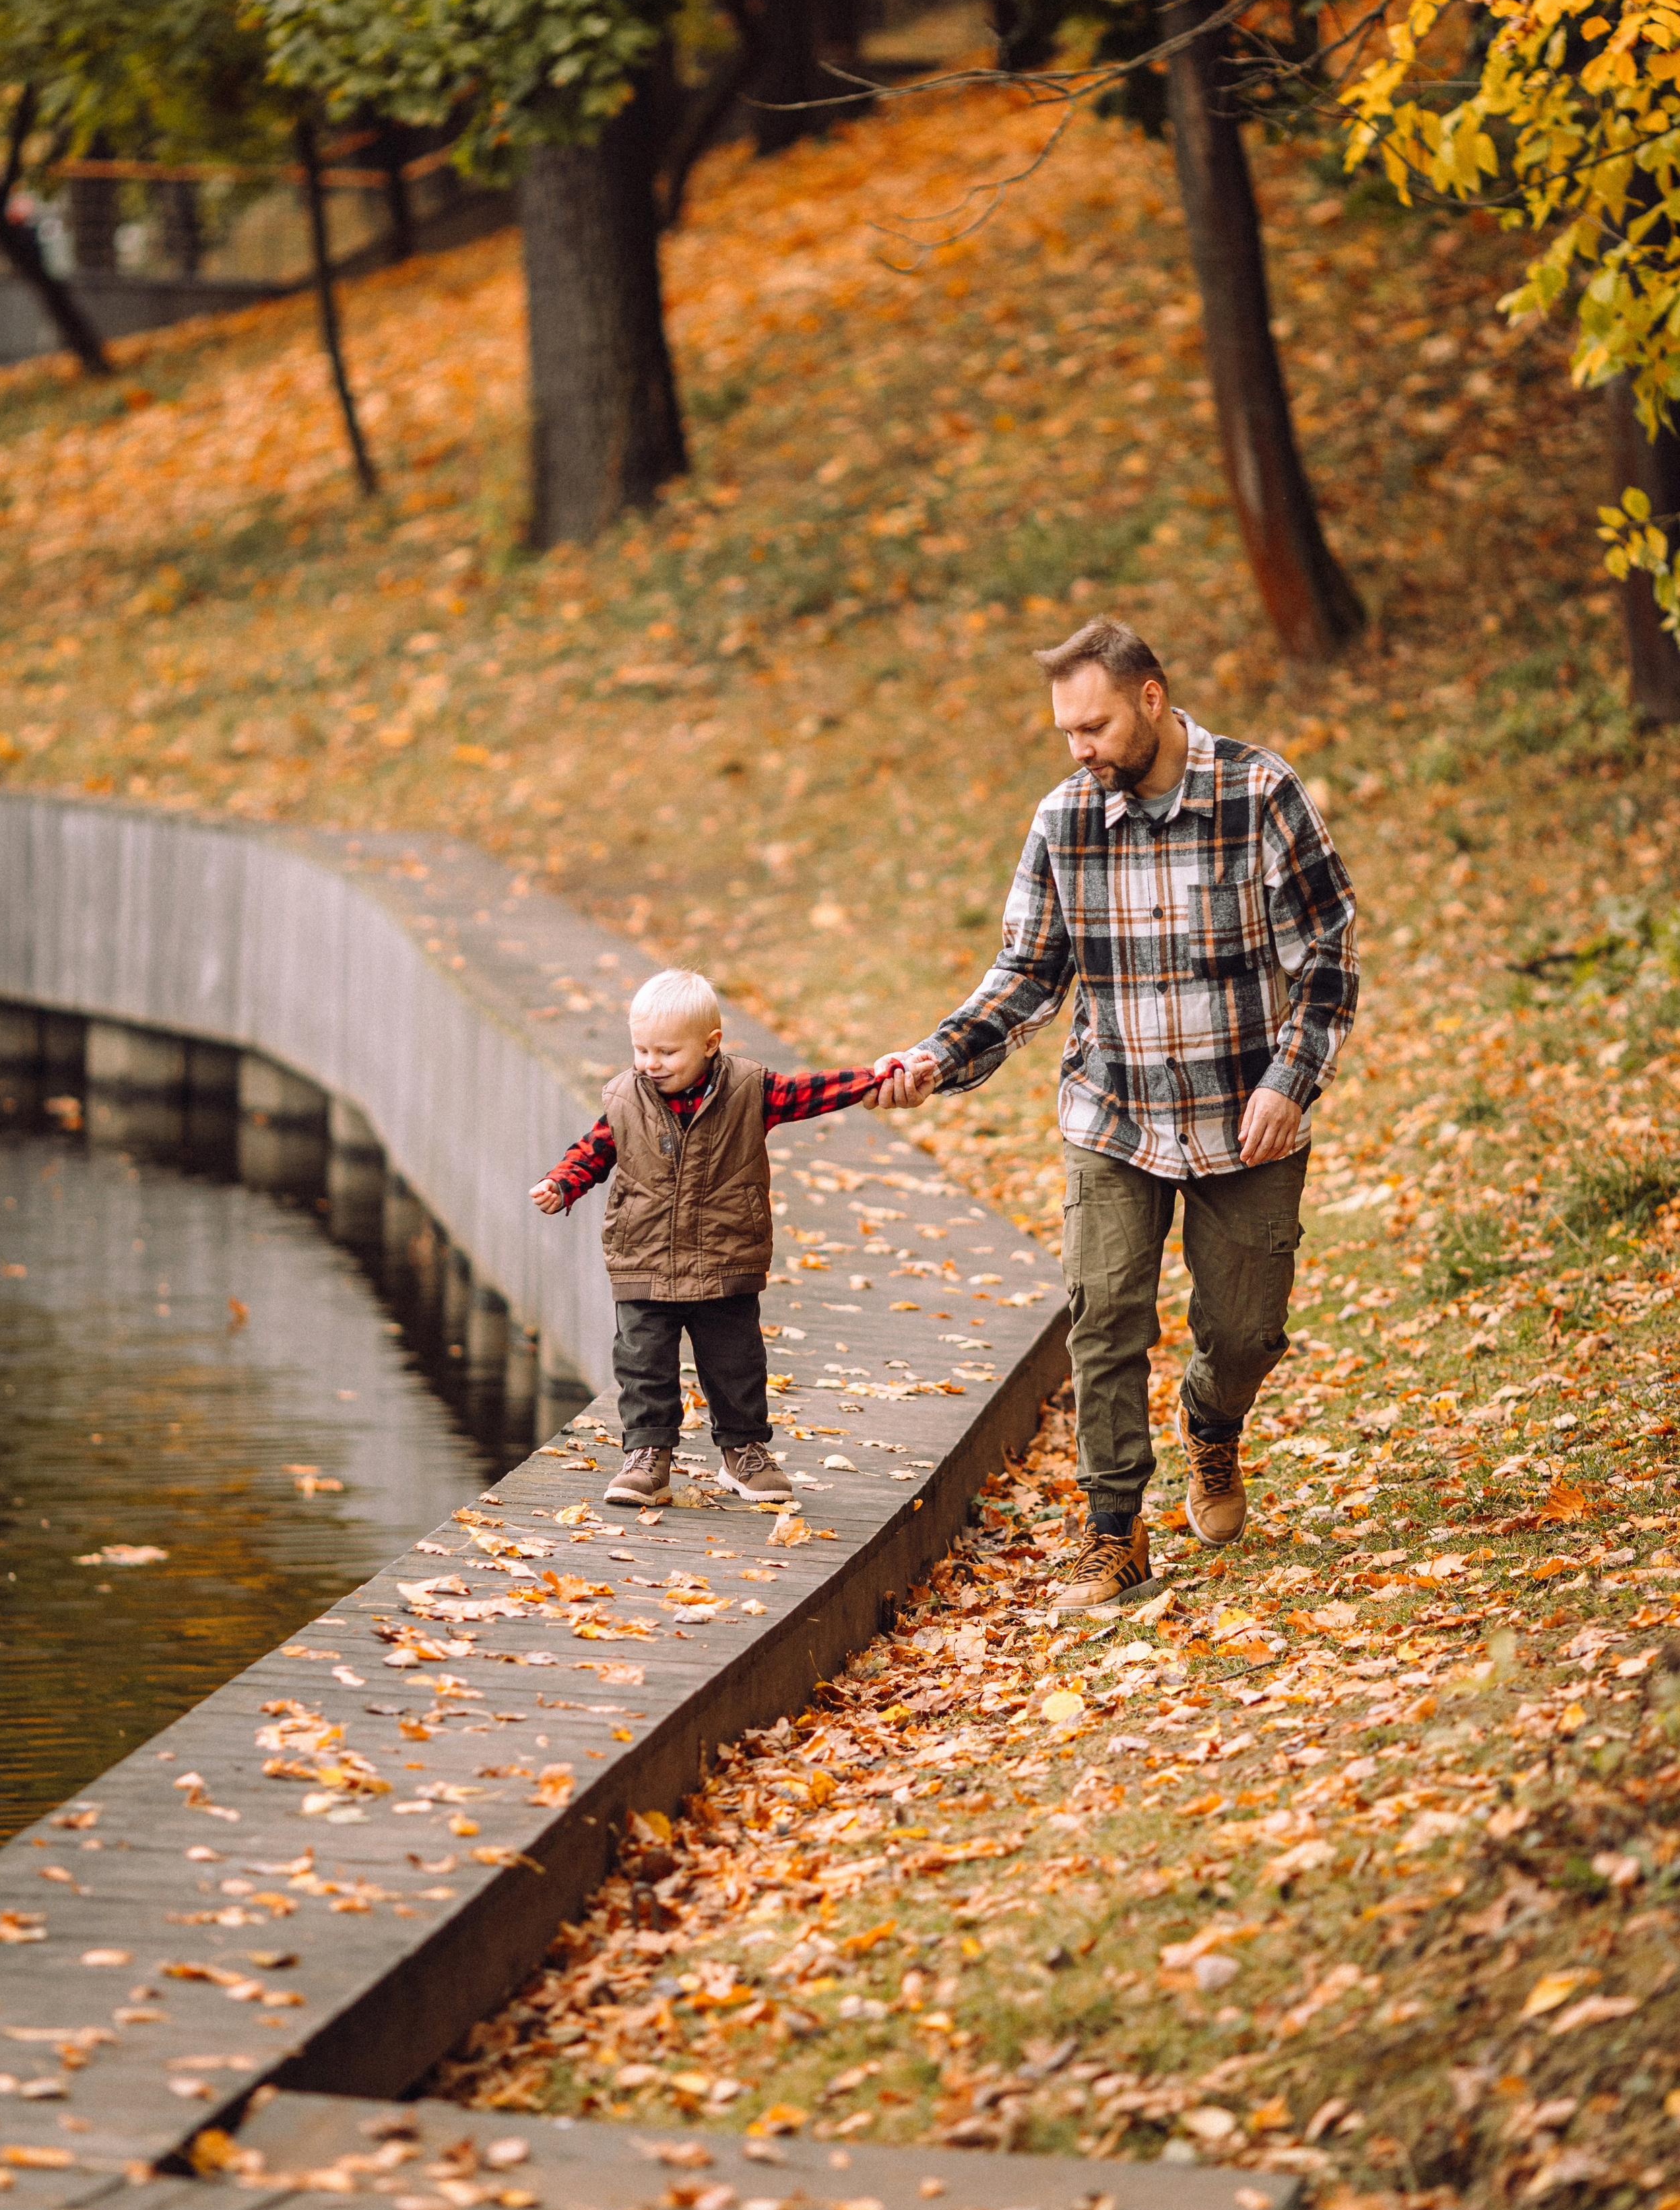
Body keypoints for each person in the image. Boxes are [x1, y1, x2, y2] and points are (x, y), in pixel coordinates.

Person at [877, 617, 1357, 1605]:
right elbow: (1029, 971)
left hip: (1245, 1116)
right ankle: (1114, 1532)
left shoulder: (1259, 793)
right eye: (1065, 731)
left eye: (1092, 727)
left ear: (1151, 697)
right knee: (1103, 1317)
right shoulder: (1066, 819)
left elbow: (1329, 954)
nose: (1078, 749)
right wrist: (938, 1054)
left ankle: (1212, 1424)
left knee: (1246, 1334)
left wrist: (1289, 1081)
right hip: (1114, 1113)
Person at [532, 968, 936, 1508]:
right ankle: (648, 1457)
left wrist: (874, 1077)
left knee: (735, 1362)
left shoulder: (751, 1090)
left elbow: (813, 1092)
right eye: (642, 1050)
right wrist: (562, 1184)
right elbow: (593, 1150)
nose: (651, 1064)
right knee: (643, 1362)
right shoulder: (627, 1098)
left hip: (725, 1256)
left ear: (710, 1044)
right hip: (643, 1256)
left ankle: (743, 1452)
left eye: (667, 1053)